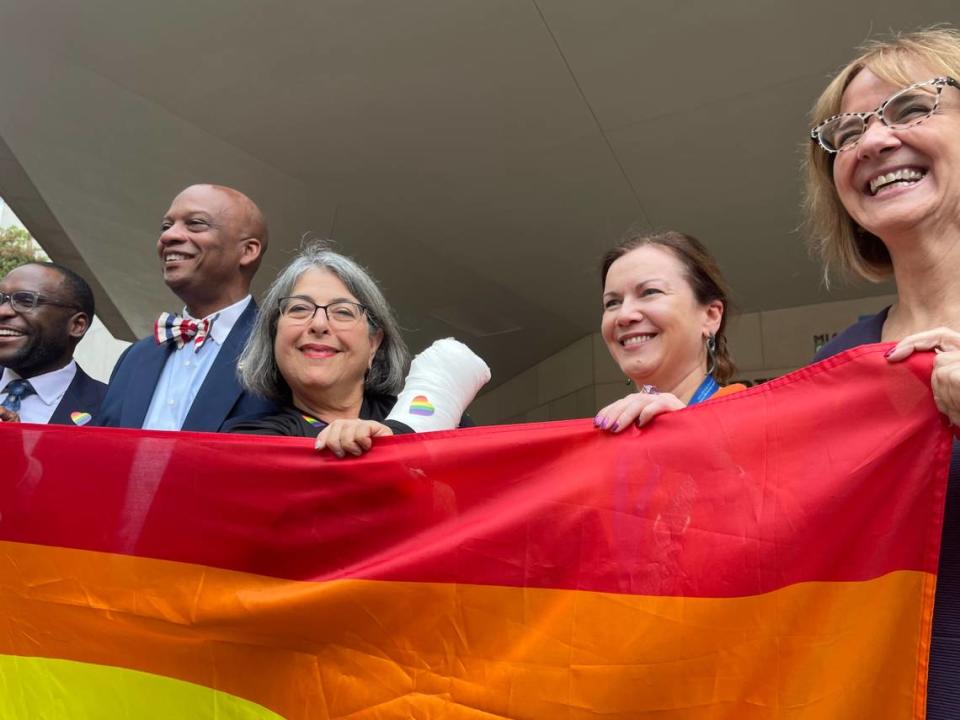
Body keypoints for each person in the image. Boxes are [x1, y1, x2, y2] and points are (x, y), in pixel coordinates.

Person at [805, 27, 960, 717]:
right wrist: (663, 446)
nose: (871, 143)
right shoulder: (833, 370)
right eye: (846, 133)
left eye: (908, 108)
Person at [97, 184, 276, 432]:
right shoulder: (134, 358)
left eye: (195, 224)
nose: (168, 237)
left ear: (247, 251)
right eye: (166, 226)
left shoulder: (278, 350)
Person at [228, 243, 410, 454]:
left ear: (373, 344)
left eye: (343, 312)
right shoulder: (246, 443)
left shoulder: (423, 417)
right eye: (299, 308)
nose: (319, 324)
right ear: (274, 335)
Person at [594, 231, 744, 432]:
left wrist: (693, 433)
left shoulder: (757, 420)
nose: (624, 315)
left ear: (710, 316)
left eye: (650, 292)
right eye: (612, 303)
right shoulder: (606, 438)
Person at [0, 262, 106, 425]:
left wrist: (18, 446)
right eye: (1, 300)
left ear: (77, 325)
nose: (3, 311)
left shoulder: (110, 409)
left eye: (26, 300)